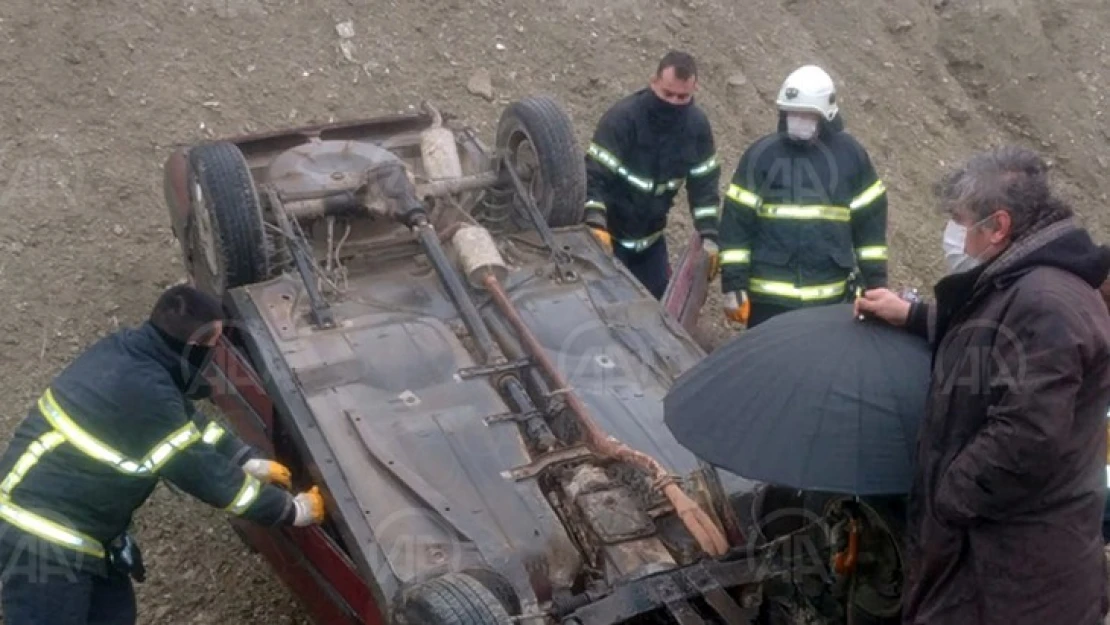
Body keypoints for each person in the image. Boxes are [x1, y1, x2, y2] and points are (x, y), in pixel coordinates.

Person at [855, 145, 1110, 625]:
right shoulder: (1022, 283)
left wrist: (947, 498)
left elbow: (1028, 435)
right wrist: (911, 315)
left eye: (960, 220)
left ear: (998, 227)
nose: (953, 235)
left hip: (1015, 576)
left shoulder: (1047, 302)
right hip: (998, 559)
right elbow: (994, 342)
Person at [0, 284, 326, 625]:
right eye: (213, 346)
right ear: (192, 347)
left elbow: (184, 421)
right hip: (40, 536)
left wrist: (243, 457)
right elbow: (209, 479)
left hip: (88, 530)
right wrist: (291, 510)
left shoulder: (130, 353)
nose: (214, 356)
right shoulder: (147, 392)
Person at [718, 64, 889, 328]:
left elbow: (871, 231)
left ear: (826, 114)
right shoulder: (761, 156)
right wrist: (733, 284)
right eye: (792, 113)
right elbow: (736, 225)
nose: (797, 119)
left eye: (807, 114)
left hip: (830, 305)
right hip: (767, 305)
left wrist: (876, 287)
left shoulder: (851, 157)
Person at [584, 50, 722, 299]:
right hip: (609, 239)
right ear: (653, 82)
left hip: (650, 244)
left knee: (658, 313)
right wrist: (595, 221)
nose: (674, 103)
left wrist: (709, 234)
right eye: (667, 94)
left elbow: (705, 186)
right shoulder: (623, 119)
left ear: (695, 89)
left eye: (683, 97)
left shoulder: (696, 128)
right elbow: (594, 176)